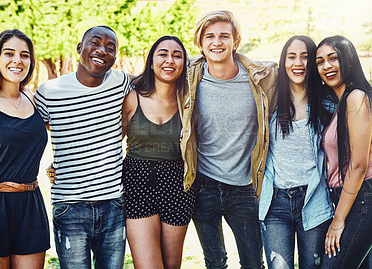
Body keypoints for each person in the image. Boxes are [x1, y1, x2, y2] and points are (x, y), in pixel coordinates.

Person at [34, 26, 131, 269]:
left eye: (110, 48)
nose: (102, 50)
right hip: (70, 206)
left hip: (113, 204)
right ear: (80, 48)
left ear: (115, 57)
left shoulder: (121, 82)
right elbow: (30, 134)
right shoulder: (49, 92)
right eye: (95, 42)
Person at [188, 10, 277, 268]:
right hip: (203, 185)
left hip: (244, 187)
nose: (217, 42)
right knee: (214, 262)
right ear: (201, 43)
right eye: (210, 37)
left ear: (235, 42)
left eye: (224, 36)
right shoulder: (189, 78)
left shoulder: (259, 77)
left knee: (252, 262)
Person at [0, 29, 50, 268]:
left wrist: (58, 165)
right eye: (9, 53)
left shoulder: (34, 100)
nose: (17, 60)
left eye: (25, 55)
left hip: (31, 206)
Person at [258, 36, 334, 269]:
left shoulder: (327, 103)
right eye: (291, 57)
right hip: (276, 203)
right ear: (283, 62)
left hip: (314, 200)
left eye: (305, 57)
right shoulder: (270, 100)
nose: (298, 63)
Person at [121, 35, 196, 269]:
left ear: (184, 63)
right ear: (151, 62)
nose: (169, 60)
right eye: (162, 54)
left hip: (177, 185)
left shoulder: (188, 102)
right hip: (138, 183)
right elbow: (109, 143)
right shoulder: (132, 99)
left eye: (177, 55)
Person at [315, 36, 372, 269]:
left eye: (333, 58)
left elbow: (358, 165)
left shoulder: (357, 98)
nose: (326, 66)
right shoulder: (341, 102)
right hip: (347, 196)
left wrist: (338, 220)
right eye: (320, 61)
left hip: (362, 198)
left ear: (348, 60)